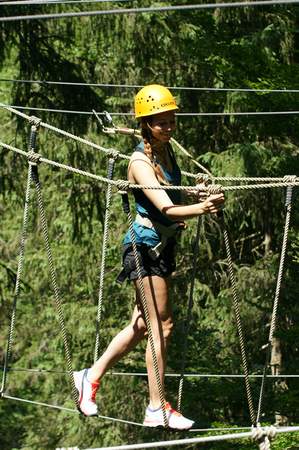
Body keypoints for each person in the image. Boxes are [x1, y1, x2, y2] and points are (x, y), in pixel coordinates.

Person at [74, 84, 225, 429]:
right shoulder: (140, 161)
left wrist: (196, 191)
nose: (168, 127)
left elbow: (171, 192)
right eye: (161, 123)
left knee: (142, 324)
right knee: (162, 326)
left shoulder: (166, 152)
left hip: (160, 248)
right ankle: (157, 406)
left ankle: (90, 375)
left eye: (171, 120)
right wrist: (201, 206)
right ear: (146, 124)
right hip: (143, 249)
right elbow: (166, 207)